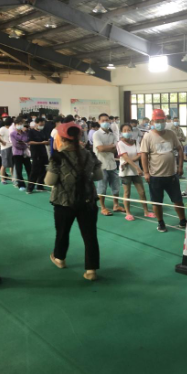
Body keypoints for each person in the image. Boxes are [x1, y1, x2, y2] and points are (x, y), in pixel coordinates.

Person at [46, 122, 103, 281]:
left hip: (64, 202)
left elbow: (50, 181)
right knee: (90, 235)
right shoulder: (89, 155)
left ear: (62, 138)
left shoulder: (57, 157)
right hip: (87, 201)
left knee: (62, 232)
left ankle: (60, 258)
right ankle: (91, 270)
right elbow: (98, 176)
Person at [140, 109, 186, 232]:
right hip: (155, 176)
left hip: (171, 175)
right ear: (152, 122)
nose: (159, 123)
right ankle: (160, 222)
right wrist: (146, 172)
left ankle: (183, 220)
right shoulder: (148, 136)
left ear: (165, 121)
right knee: (157, 202)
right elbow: (144, 154)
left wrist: (180, 166)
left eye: (161, 121)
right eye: (157, 121)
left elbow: (180, 149)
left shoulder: (171, 134)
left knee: (178, 200)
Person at [117, 123, 156, 221]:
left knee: (142, 192)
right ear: (121, 132)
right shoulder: (120, 143)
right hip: (126, 172)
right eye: (125, 130)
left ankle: (146, 211)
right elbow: (125, 157)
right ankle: (128, 213)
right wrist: (137, 168)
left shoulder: (135, 142)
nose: (127, 132)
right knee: (127, 193)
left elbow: (140, 155)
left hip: (136, 172)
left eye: (129, 130)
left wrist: (129, 162)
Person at [93, 113, 124, 216]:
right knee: (102, 187)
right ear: (99, 122)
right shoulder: (96, 134)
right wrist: (110, 147)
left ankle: (116, 205)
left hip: (112, 164)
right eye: (103, 120)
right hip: (101, 165)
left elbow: (116, 149)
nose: (105, 122)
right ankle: (103, 207)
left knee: (116, 186)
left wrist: (108, 147)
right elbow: (100, 148)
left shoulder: (112, 134)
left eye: (107, 120)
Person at [26, 117, 49, 194]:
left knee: (43, 170)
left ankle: (40, 186)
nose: (42, 126)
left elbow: (45, 140)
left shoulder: (42, 132)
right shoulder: (31, 132)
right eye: (40, 124)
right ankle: (30, 188)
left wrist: (47, 142)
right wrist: (41, 143)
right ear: (36, 123)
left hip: (43, 153)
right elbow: (30, 142)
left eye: (43, 124)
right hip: (36, 154)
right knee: (34, 171)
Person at [10, 118, 32, 192]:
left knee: (29, 169)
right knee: (19, 170)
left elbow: (27, 142)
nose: (20, 125)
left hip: (25, 154)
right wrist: (24, 145)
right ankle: (21, 185)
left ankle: (31, 184)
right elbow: (15, 144)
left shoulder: (25, 133)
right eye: (18, 124)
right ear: (15, 125)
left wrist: (24, 144)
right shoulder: (12, 134)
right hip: (17, 154)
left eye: (21, 124)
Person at [0, 117, 14, 185]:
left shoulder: (11, 129)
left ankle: (13, 178)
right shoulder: (2, 129)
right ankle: (2, 179)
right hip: (5, 148)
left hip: (12, 147)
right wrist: (2, 141)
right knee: (4, 164)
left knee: (12, 164)